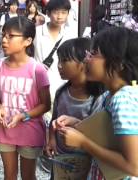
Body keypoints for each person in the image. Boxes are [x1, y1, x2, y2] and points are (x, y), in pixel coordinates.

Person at [54, 27, 138, 179]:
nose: (86, 59)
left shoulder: (123, 99)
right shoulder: (110, 96)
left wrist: (83, 142)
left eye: (93, 54)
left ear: (118, 63)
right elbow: (110, 136)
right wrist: (77, 124)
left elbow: (133, 166)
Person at [0, 16, 51, 180]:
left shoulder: (37, 70)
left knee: (28, 176)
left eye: (10, 36)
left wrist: (24, 115)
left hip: (30, 130)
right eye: (3, 35)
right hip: (5, 128)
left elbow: (45, 105)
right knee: (9, 175)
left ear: (27, 41)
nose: (4, 40)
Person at [45, 38, 104, 179]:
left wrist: (75, 124)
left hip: (84, 161)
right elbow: (54, 120)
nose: (59, 66)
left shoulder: (97, 97)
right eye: (58, 61)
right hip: (60, 156)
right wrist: (51, 140)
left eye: (64, 61)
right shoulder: (61, 92)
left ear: (84, 63)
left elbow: (97, 135)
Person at [34, 0, 76, 97]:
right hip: (40, 84)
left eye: (64, 12)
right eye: (56, 12)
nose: (60, 16)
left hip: (63, 85)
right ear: (48, 13)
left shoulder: (70, 35)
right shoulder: (37, 32)